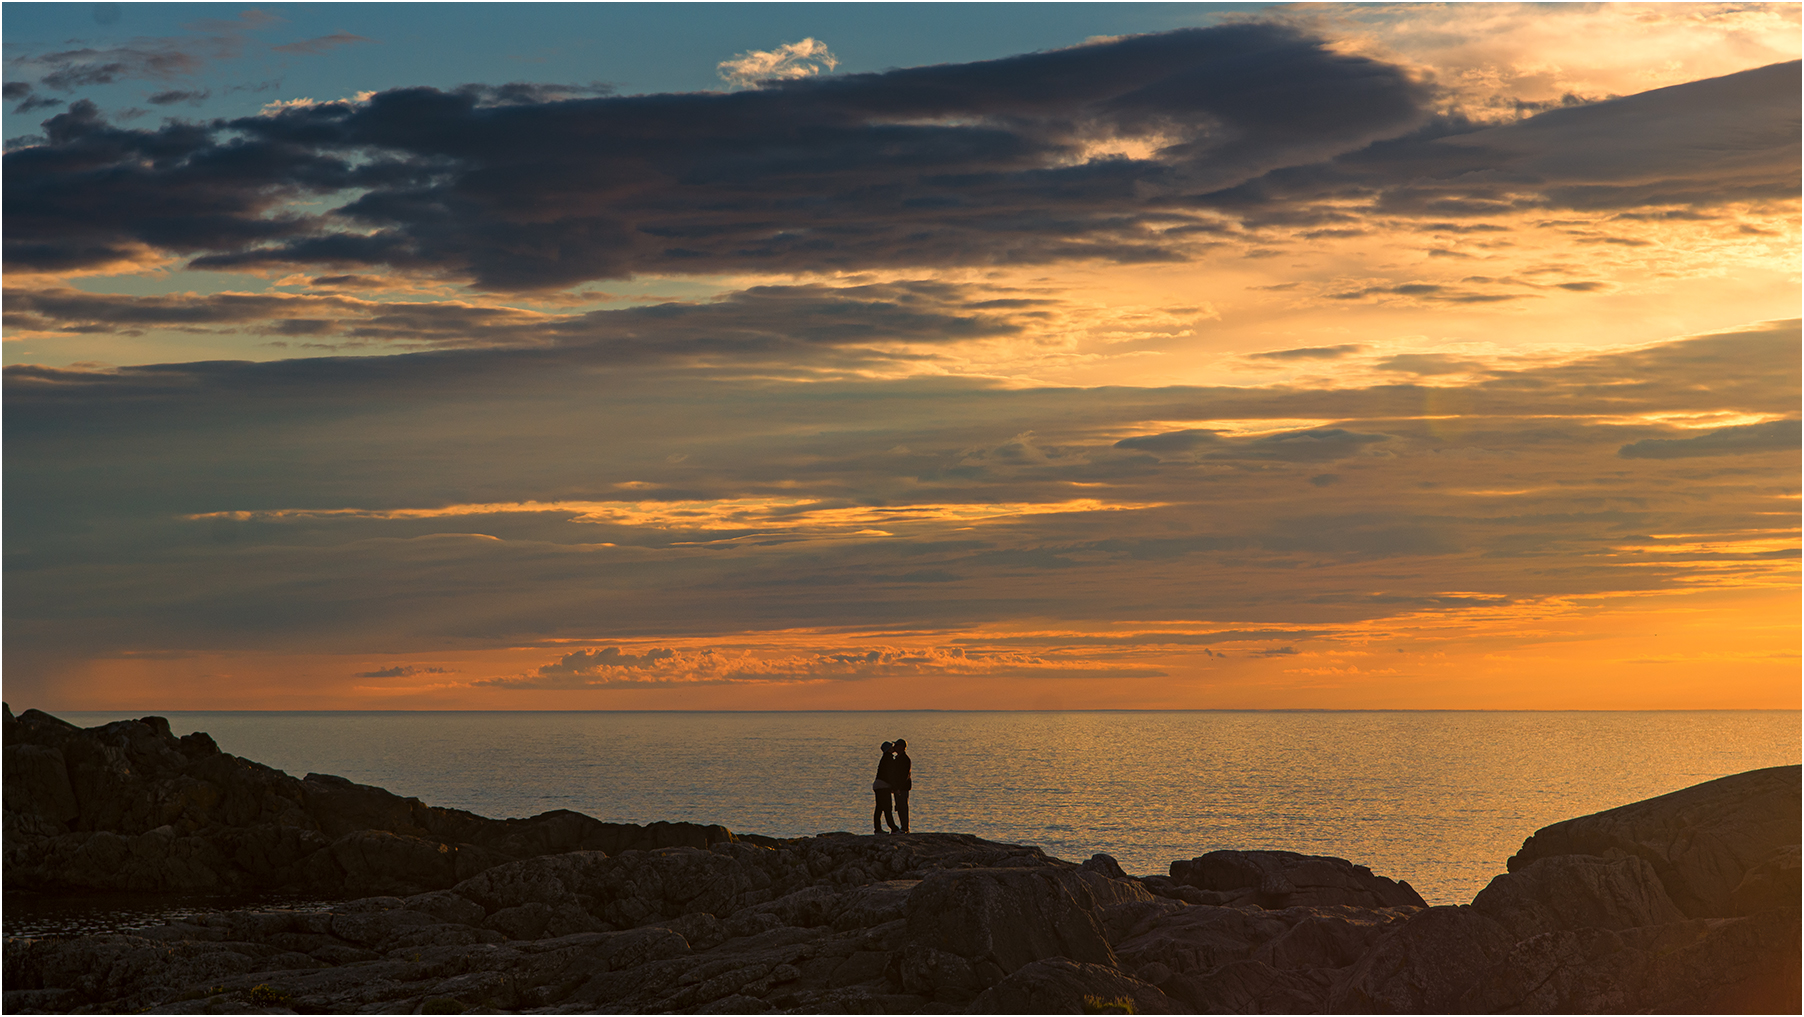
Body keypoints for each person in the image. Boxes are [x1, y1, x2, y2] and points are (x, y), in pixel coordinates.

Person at [872, 741, 901, 834]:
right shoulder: (889, 759)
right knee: (887, 808)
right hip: (883, 786)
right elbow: (890, 776)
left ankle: (878, 829)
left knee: (879, 808)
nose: (893, 748)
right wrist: (895, 788)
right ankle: (894, 828)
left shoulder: (884, 758)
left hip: (878, 785)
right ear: (888, 749)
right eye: (891, 747)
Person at [890, 738, 912, 834]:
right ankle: (903, 827)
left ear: (902, 747)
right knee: (899, 807)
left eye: (897, 746)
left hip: (902, 788)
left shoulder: (905, 759)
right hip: (897, 787)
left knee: (902, 806)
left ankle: (905, 827)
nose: (895, 747)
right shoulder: (897, 758)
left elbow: (904, 775)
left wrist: (898, 787)